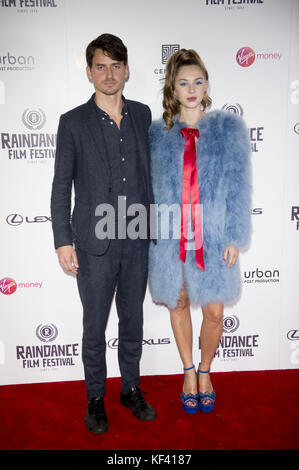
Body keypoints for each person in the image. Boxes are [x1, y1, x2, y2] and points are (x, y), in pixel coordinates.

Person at [50, 33, 156, 433]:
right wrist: (63, 240)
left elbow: (153, 177)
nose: (109, 74)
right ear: (90, 71)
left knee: (133, 321)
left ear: (126, 70)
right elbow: (61, 187)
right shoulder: (72, 122)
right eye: (101, 66)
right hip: (94, 243)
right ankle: (96, 398)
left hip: (137, 237)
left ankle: (130, 389)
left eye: (116, 66)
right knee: (94, 326)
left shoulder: (145, 115)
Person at [148, 49, 251, 414]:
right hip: (170, 237)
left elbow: (240, 184)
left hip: (215, 236)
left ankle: (206, 370)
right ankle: (189, 373)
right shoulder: (157, 135)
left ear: (206, 84)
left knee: (213, 312)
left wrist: (236, 235)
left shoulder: (227, 129)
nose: (191, 89)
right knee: (177, 303)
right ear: (172, 89)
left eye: (197, 81)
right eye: (183, 83)